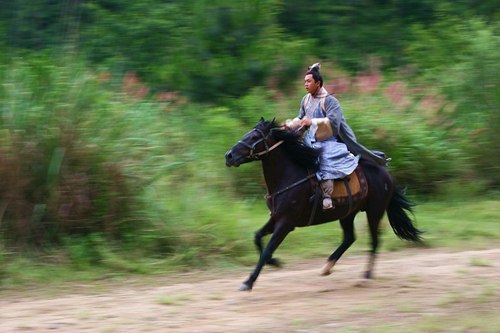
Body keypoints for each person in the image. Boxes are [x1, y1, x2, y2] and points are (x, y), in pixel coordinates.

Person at [286, 63, 388, 210]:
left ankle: (327, 196)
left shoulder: (330, 101)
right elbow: (300, 117)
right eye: (304, 82)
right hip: (311, 139)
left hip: (328, 141)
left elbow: (333, 122)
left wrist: (312, 121)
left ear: (318, 83)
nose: (305, 84)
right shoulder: (305, 100)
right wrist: (289, 125)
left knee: (325, 159)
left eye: (308, 81)